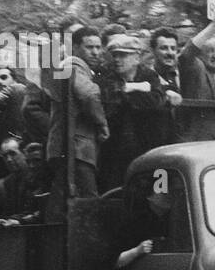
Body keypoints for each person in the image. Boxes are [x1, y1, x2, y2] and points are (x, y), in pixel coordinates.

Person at [43, 25, 110, 214]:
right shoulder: (75, 66)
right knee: (88, 201)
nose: (96, 52)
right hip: (77, 148)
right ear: (75, 47)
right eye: (90, 47)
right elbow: (89, 94)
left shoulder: (66, 67)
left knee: (62, 200)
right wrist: (102, 124)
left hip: (66, 147)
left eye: (98, 47)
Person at [98, 32, 148, 191]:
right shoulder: (105, 78)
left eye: (123, 55)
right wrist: (137, 90)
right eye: (115, 55)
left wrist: (128, 92)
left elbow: (156, 100)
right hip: (113, 150)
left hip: (145, 147)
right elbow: (111, 103)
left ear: (137, 58)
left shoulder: (149, 75)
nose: (117, 60)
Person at [129, 27, 184, 156]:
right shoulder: (142, 75)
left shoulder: (180, 76)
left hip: (177, 147)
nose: (169, 53)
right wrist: (165, 95)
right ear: (153, 51)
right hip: (149, 148)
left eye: (173, 48)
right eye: (164, 48)